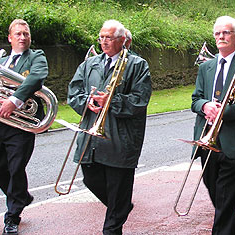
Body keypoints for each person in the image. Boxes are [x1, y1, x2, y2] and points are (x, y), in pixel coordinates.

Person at [67, 19, 152, 234]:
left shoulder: (137, 65)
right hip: (91, 138)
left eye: (109, 37)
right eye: (101, 37)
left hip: (121, 139)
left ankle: (113, 224)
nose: (104, 42)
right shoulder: (89, 64)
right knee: (91, 180)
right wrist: (87, 101)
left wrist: (111, 101)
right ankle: (121, 206)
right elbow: (73, 94)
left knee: (117, 190)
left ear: (123, 40)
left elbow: (140, 101)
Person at [191, 15, 235, 234]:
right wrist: (205, 106)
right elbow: (195, 99)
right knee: (216, 192)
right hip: (206, 138)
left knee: (225, 196)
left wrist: (224, 111)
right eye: (217, 33)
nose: (221, 36)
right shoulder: (206, 67)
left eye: (226, 33)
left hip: (234, 141)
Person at [0, 19, 47, 234]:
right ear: (10, 38)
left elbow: (36, 77)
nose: (22, 37)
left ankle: (12, 217)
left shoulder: (36, 56)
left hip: (21, 124)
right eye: (17, 34)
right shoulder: (1, 61)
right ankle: (22, 197)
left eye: (25, 34)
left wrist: (14, 100)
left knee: (16, 168)